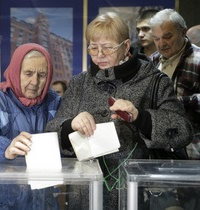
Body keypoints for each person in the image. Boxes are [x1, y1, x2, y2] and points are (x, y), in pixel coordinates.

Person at [45, 12, 193, 210]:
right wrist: (70, 124)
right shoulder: (80, 83)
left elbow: (183, 131)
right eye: (93, 48)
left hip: (137, 194)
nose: (99, 55)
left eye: (107, 48)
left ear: (125, 46)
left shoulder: (154, 81)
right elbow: (51, 132)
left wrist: (140, 117)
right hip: (86, 196)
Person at [0, 43, 61, 209]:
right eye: (28, 73)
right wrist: (6, 148)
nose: (35, 81)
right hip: (5, 201)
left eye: (42, 75)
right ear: (16, 71)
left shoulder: (53, 100)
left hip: (44, 201)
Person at [150, 9, 200, 160]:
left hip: (192, 149)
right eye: (156, 38)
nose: (161, 44)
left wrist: (177, 103)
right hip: (159, 149)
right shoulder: (151, 62)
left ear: (183, 31)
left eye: (167, 36)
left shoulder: (198, 60)